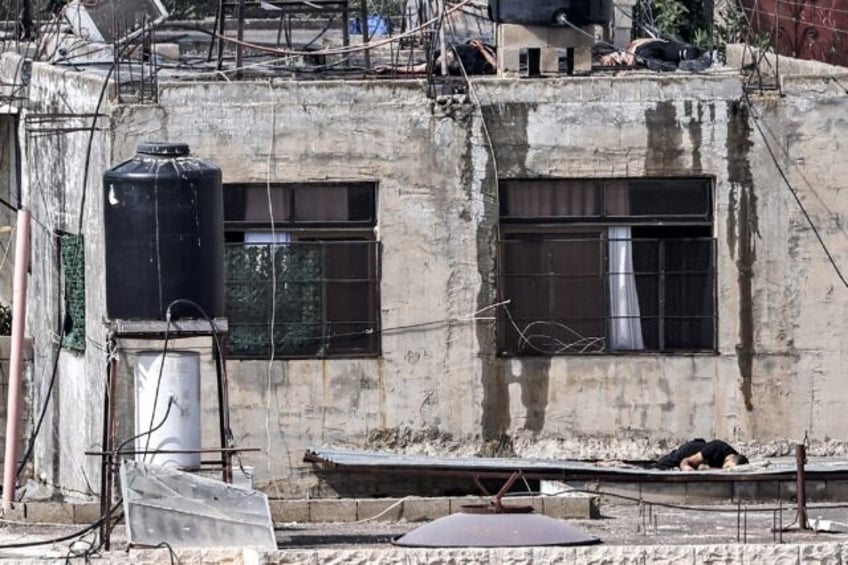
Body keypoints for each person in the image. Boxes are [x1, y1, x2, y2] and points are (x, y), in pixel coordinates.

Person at [376, 39, 496, 76]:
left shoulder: (459, 51)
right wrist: (389, 67)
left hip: (487, 50)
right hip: (489, 55)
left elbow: (416, 68)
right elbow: (495, 66)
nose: (444, 56)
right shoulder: (470, 65)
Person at [600, 38, 704, 71]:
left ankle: (679, 64)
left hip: (646, 50)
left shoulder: (624, 51)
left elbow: (637, 44)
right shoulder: (620, 60)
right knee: (654, 61)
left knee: (684, 52)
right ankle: (679, 65)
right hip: (650, 51)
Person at [651, 439, 749, 471]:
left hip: (703, 458)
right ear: (730, 458)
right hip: (688, 452)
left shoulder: (739, 460)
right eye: (727, 467)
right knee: (659, 467)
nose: (726, 470)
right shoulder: (716, 447)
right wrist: (686, 468)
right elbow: (685, 461)